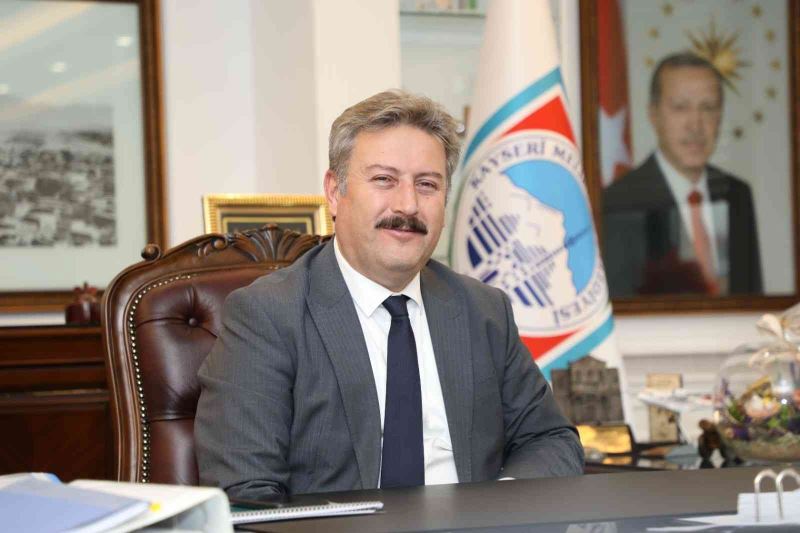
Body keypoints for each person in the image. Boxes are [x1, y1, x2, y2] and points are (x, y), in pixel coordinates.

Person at [195, 89, 583, 500]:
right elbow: (245, 492)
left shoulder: (483, 310)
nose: (408, 205)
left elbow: (552, 441)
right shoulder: (268, 315)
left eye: (427, 184)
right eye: (384, 180)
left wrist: (498, 508)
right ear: (335, 192)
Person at [602, 52, 761, 297]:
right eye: (680, 108)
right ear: (654, 115)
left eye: (708, 108)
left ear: (720, 116)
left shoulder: (737, 193)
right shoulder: (619, 202)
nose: (695, 125)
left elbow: (751, 300)